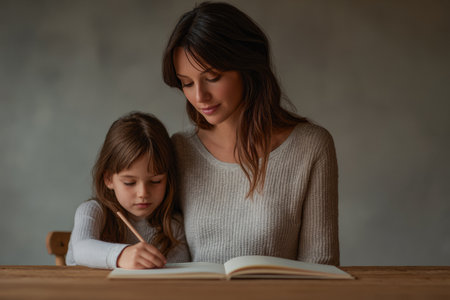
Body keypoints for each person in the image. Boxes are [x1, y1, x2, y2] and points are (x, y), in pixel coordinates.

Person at [163, 2, 340, 265]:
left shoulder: (311, 146)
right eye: (186, 83)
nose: (199, 97)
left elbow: (321, 266)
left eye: (212, 77)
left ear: (248, 68)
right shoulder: (179, 149)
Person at [66, 112, 190, 269]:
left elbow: (179, 278)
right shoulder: (93, 211)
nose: (143, 193)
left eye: (155, 181)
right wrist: (121, 255)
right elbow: (80, 249)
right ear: (109, 179)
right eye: (130, 182)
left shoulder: (173, 227)